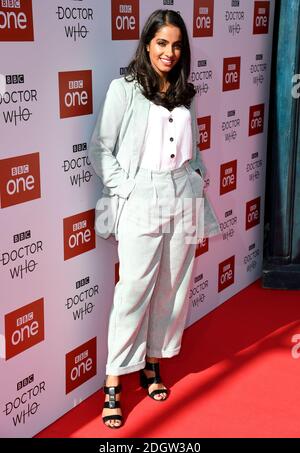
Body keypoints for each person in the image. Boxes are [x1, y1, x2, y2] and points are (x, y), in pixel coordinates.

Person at [88, 9, 220, 429]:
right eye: (162, 43)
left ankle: (152, 363)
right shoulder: (125, 89)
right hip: (141, 193)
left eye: (177, 45)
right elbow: (100, 147)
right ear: (147, 43)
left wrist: (197, 176)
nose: (169, 52)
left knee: (174, 287)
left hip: (182, 192)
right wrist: (125, 188)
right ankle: (114, 380)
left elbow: (193, 148)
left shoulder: (186, 92)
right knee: (133, 289)